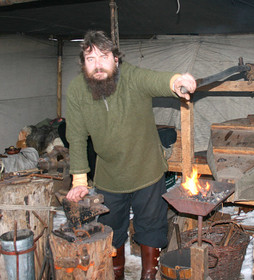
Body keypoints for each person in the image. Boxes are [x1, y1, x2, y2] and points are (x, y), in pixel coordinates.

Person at [65, 30, 196, 280]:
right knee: (111, 230)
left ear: (115, 59)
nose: (97, 65)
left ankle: (148, 274)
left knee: (151, 227)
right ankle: (117, 275)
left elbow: (156, 80)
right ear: (83, 64)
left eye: (103, 57)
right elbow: (76, 136)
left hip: (147, 169)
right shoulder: (77, 90)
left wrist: (178, 81)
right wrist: (80, 181)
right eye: (90, 59)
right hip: (109, 175)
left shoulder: (132, 76)